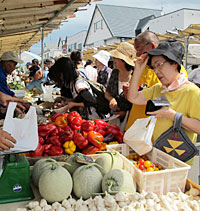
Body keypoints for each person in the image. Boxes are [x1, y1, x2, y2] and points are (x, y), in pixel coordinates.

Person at [127, 40, 200, 165]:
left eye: (159, 64)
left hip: (178, 161)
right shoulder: (158, 88)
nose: (156, 70)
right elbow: (133, 98)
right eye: (154, 67)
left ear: (174, 64)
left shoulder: (192, 92)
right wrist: (138, 70)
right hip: (155, 156)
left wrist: (173, 115)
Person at [125, 31, 188, 130]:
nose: (137, 54)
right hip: (136, 127)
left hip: (155, 130)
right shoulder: (143, 66)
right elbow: (133, 97)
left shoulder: (179, 77)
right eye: (154, 67)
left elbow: (167, 101)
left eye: (139, 49)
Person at [105, 42, 136, 131]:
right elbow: (107, 92)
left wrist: (126, 113)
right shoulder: (115, 73)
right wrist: (111, 99)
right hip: (115, 120)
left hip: (130, 122)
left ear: (124, 61)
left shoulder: (136, 76)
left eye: (116, 57)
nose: (113, 59)